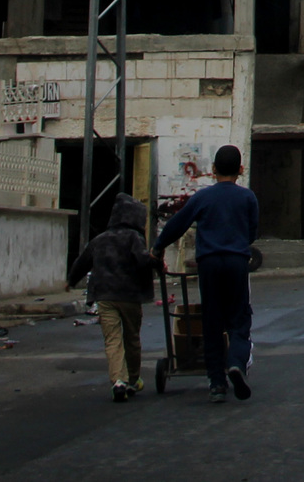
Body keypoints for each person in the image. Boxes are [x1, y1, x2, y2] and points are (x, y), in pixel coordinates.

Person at [152, 144, 259, 403]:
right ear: (241, 170)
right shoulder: (247, 198)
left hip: (209, 264)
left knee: (212, 320)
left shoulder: (202, 198)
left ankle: (216, 384)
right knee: (239, 320)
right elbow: (252, 233)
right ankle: (234, 362)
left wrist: (157, 248)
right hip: (236, 262)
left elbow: (178, 223)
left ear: (212, 170)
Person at [65, 194, 158, 401]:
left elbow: (83, 262)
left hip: (105, 296)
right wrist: (157, 262)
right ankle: (133, 380)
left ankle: (118, 381)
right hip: (130, 296)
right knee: (131, 338)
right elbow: (143, 260)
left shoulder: (100, 239)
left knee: (112, 340)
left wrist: (70, 280)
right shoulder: (135, 238)